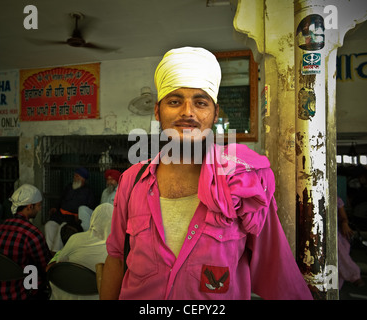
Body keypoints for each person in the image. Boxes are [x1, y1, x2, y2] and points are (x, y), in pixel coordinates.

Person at [101, 47, 313, 300]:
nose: (187, 112)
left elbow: (278, 272)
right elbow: (115, 257)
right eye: (174, 101)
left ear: (214, 114)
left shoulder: (244, 182)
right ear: (158, 112)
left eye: (200, 103)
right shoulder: (132, 180)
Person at [47, 203, 113, 300]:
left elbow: (59, 263)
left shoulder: (76, 238)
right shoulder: (115, 250)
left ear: (93, 219)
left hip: (65, 293)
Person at [0, 184, 52, 300]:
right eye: (38, 206)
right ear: (29, 207)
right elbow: (46, 266)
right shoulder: (32, 234)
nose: (40, 208)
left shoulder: (0, 226)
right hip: (20, 293)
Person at [44, 167, 96, 253]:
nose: (75, 178)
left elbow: (89, 209)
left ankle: (56, 252)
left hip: (72, 219)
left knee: (62, 228)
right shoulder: (69, 187)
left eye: (78, 176)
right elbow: (61, 200)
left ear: (83, 179)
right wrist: (55, 207)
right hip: (60, 216)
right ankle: (49, 250)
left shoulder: (88, 192)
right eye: (75, 176)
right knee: (49, 225)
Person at [337, 196, 365, 289]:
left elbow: (344, 218)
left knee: (342, 249)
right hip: (327, 234)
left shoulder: (336, 200)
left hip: (338, 233)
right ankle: (354, 274)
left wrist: (345, 224)